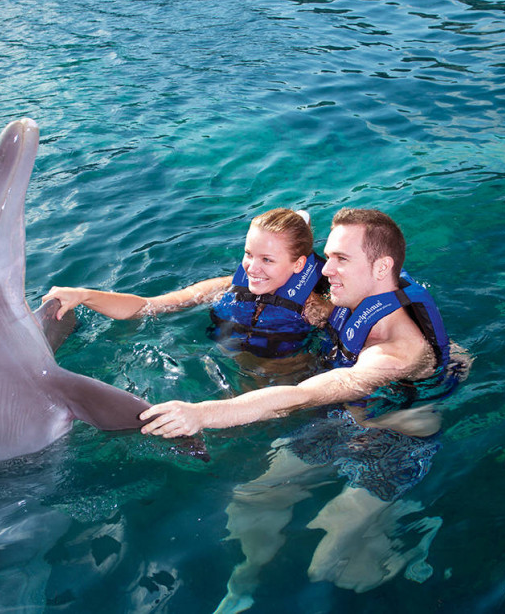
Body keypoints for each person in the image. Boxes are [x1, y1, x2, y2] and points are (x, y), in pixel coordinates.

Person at [137, 208, 471, 611]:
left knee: (329, 563)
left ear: (382, 267)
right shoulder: (354, 297)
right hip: (344, 421)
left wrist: (202, 413)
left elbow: (303, 395)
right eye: (327, 256)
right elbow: (295, 237)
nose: (325, 269)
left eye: (340, 260)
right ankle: (242, 585)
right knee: (251, 496)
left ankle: (406, 544)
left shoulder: (396, 351)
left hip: (395, 444)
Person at [42, 208, 331, 360]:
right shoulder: (227, 287)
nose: (251, 268)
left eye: (267, 260)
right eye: (248, 254)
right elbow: (148, 306)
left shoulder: (314, 310)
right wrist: (83, 295)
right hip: (224, 364)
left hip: (275, 386)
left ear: (298, 265)